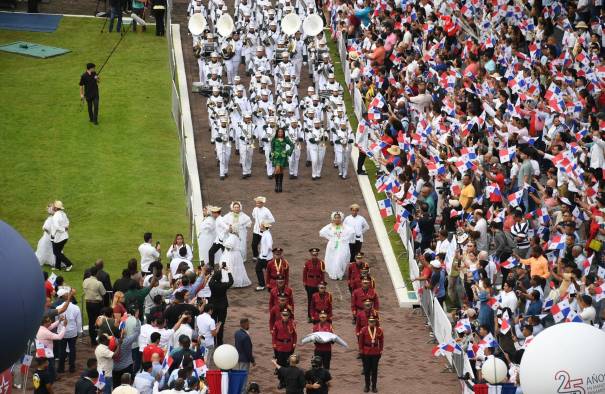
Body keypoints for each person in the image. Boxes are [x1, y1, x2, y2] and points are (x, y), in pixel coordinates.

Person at [319, 211, 355, 280]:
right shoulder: (330, 226)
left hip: (342, 245)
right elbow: (322, 232)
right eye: (335, 218)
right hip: (332, 245)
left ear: (341, 218)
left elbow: (352, 232)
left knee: (341, 259)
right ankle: (334, 274)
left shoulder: (344, 226)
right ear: (333, 218)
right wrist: (331, 238)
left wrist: (344, 238)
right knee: (333, 258)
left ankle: (340, 273)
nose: (337, 219)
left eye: (338, 217)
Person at [56, 288, 82, 374]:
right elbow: (79, 321)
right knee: (72, 349)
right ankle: (72, 367)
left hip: (61, 332)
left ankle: (61, 368)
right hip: (72, 332)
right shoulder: (76, 308)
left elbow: (57, 321)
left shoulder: (58, 307)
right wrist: (79, 331)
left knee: (62, 350)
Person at [209, 266, 234, 345]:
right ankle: (219, 342)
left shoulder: (211, 284)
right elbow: (231, 282)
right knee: (221, 324)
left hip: (213, 306)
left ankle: (213, 341)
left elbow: (212, 278)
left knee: (212, 323)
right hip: (222, 307)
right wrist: (228, 271)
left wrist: (218, 271)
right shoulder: (224, 285)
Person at [358, 316, 383, 393]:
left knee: (374, 370)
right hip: (366, 352)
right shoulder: (364, 330)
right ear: (368, 322)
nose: (372, 323)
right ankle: (367, 386)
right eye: (370, 321)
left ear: (375, 322)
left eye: (373, 321)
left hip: (375, 352)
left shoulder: (379, 330)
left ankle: (374, 386)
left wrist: (381, 350)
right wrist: (361, 351)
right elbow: (360, 341)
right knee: (367, 370)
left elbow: (381, 341)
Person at [83, 266, 107, 346]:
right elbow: (103, 293)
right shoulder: (98, 283)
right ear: (96, 273)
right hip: (97, 304)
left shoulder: (85, 281)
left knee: (91, 321)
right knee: (99, 321)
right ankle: (99, 339)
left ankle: (93, 340)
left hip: (88, 303)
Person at [303, 248, 325, 322]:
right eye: (313, 255)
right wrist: (305, 283)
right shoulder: (307, 263)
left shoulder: (321, 263)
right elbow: (304, 274)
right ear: (311, 255)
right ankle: (309, 316)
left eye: (315, 255)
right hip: (310, 284)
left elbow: (322, 274)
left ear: (317, 255)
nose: (314, 256)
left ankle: (317, 315)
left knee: (318, 300)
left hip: (318, 284)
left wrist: (322, 284)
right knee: (310, 300)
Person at [196, 303, 221, 369]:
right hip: (208, 343)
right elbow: (214, 334)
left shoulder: (198, 317)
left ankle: (201, 376)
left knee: (200, 360)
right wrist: (218, 327)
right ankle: (204, 377)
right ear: (210, 310)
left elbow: (198, 328)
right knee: (206, 361)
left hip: (200, 341)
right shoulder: (211, 320)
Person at [50, 200, 73, 271]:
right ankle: (57, 266)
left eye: (54, 206)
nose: (53, 207)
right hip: (64, 237)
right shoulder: (63, 213)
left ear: (56, 208)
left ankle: (69, 264)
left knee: (56, 252)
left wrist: (63, 229)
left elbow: (57, 227)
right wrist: (66, 228)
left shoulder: (56, 216)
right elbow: (67, 222)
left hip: (58, 237)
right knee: (58, 252)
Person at [270, 128, 295, 193]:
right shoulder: (274, 139)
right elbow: (272, 147)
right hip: (276, 156)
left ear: (283, 133)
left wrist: (288, 152)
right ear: (277, 133)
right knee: (277, 169)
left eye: (281, 132)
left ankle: (280, 185)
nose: (280, 133)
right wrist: (272, 154)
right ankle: (276, 184)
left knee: (281, 170)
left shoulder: (285, 139)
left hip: (283, 156)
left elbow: (292, 145)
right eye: (279, 132)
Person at [234, 318, 255, 394]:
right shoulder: (245, 336)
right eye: (248, 324)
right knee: (244, 377)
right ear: (245, 324)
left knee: (239, 375)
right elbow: (248, 351)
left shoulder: (237, 333)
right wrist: (253, 361)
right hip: (245, 359)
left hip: (238, 358)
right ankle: (242, 391)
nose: (249, 325)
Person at [250, 196, 275, 261]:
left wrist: (264, 222)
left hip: (264, 230)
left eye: (259, 203)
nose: (257, 204)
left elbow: (272, 219)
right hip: (256, 230)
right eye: (256, 203)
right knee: (253, 244)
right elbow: (253, 216)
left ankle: (265, 257)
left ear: (263, 203)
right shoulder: (255, 209)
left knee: (264, 244)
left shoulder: (266, 210)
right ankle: (255, 255)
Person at [255, 222, 273, 291]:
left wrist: (264, 255)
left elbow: (269, 246)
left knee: (258, 269)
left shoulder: (267, 235)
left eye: (261, 225)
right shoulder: (265, 233)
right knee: (268, 271)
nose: (260, 226)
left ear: (265, 227)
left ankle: (262, 285)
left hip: (265, 257)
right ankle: (270, 284)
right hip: (265, 257)